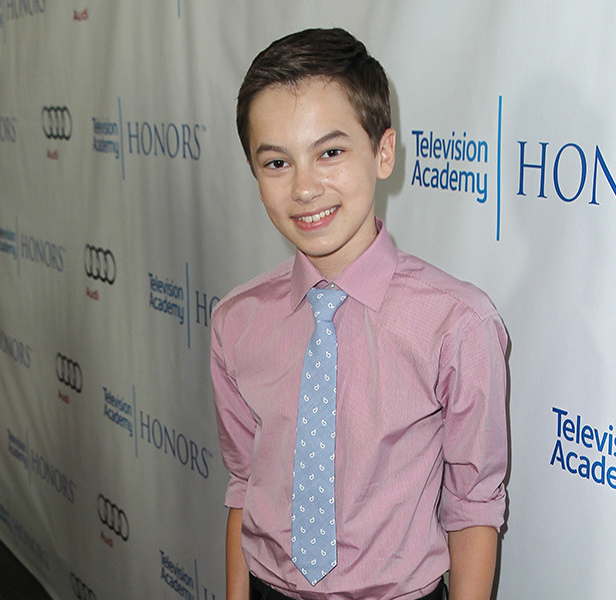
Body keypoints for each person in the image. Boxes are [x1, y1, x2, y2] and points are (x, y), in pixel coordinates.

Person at [210, 27, 508, 600]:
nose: (304, 187)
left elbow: (474, 505)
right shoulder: (236, 322)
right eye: (276, 162)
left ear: (384, 152)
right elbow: (244, 483)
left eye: (330, 152)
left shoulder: (457, 324)